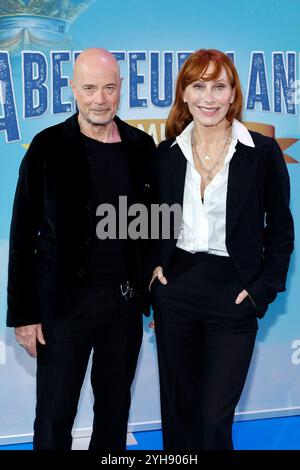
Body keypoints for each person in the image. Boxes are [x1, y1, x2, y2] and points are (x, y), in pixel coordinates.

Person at [7, 48, 156, 450]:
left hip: (123, 306)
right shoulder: (47, 146)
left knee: (114, 415)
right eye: (89, 88)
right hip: (62, 308)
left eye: (109, 87)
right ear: (72, 88)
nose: (99, 98)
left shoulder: (142, 147)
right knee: (54, 416)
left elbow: (155, 231)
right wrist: (24, 314)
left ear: (121, 88)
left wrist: (158, 297)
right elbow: (23, 233)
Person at [149, 49, 294, 450]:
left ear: (233, 95)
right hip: (177, 291)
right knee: (178, 414)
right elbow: (149, 221)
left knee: (214, 419)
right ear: (184, 93)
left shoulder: (262, 153)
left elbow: (281, 230)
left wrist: (262, 290)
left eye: (219, 86)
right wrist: (154, 270)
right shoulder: (167, 154)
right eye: (198, 86)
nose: (208, 97)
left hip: (234, 293)